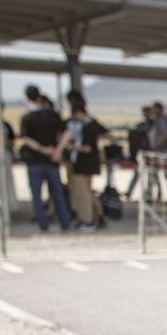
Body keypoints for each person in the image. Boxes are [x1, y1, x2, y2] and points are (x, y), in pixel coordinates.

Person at [18, 85, 72, 232]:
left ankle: (44, 226)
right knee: (57, 193)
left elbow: (25, 138)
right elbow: (67, 133)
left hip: (35, 162)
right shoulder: (52, 115)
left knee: (37, 196)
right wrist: (57, 151)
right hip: (52, 161)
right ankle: (65, 224)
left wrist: (42, 149)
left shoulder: (27, 117)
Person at [59, 94, 106, 232]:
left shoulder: (88, 127)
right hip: (85, 165)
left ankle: (88, 221)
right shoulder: (89, 125)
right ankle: (95, 217)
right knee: (86, 193)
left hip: (84, 165)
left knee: (84, 194)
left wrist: (71, 147)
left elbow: (87, 147)